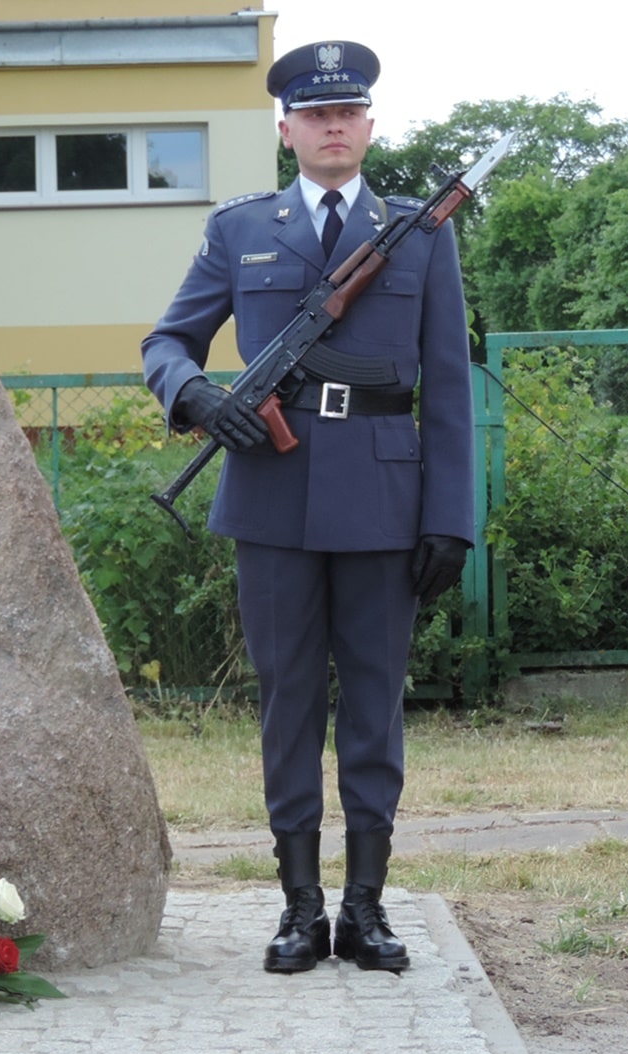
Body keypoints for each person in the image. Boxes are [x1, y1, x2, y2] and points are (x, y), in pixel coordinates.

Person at [140, 40, 473, 974]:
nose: (334, 126)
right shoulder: (241, 228)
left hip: (385, 498)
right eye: (315, 114)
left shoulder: (421, 233)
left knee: (373, 706)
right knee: (289, 707)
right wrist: (193, 394)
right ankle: (299, 909)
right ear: (286, 130)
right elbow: (169, 339)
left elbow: (447, 387)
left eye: (350, 112)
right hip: (273, 500)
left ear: (369, 126)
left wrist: (451, 516)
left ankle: (365, 910)